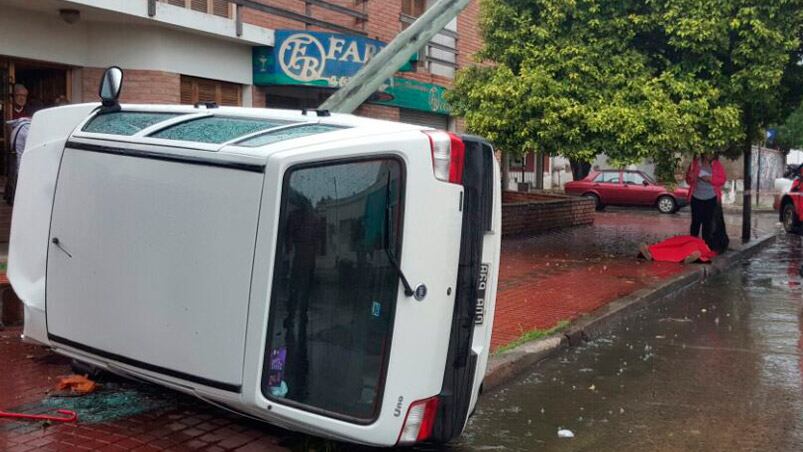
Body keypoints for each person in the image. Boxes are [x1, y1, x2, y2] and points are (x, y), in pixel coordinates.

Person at [685, 152, 727, 248]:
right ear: (704, 153)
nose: (710, 155)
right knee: (695, 222)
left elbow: (722, 180)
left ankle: (706, 245)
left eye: (712, 153)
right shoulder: (695, 163)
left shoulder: (716, 164)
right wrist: (691, 177)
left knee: (707, 223)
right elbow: (688, 180)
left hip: (711, 197)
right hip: (696, 197)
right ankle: (692, 245)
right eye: (708, 153)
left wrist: (710, 179)